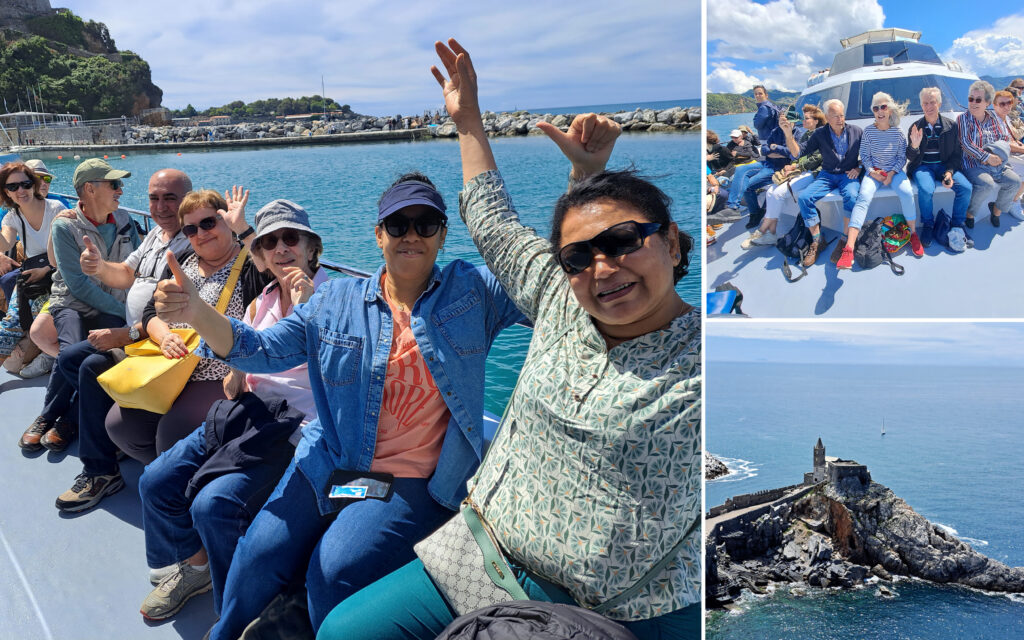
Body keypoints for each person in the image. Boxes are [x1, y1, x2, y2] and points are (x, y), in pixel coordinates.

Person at [316, 38, 700, 640]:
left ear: (673, 243)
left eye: (625, 240)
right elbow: (492, 218)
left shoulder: (704, 360)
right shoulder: (557, 298)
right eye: (578, 255)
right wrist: (467, 118)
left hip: (617, 606)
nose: (602, 268)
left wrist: (587, 180)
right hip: (484, 555)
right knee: (344, 632)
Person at [153, 173, 525, 639]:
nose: (411, 235)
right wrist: (196, 313)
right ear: (378, 234)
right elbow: (260, 349)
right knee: (257, 553)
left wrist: (584, 178)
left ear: (443, 234)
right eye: (397, 224)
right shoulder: (335, 300)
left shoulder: (472, 293)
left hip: (408, 480)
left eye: (425, 223)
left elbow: (550, 280)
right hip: (335, 464)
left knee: (333, 568)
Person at [137, 200, 329, 621]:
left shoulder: (336, 297)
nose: (281, 248)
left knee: (214, 507)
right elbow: (233, 378)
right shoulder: (261, 300)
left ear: (311, 248)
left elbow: (344, 376)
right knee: (155, 482)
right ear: (259, 256)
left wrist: (312, 310)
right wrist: (239, 371)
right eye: (269, 242)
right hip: (246, 415)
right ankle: (197, 567)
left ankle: (233, 615)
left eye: (291, 238)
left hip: (294, 430)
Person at [52, 169, 193, 506]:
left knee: (88, 368)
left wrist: (124, 334)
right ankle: (104, 436)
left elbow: (171, 315)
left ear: (188, 200)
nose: (159, 207)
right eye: (153, 198)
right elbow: (127, 273)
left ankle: (101, 472)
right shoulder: (156, 235)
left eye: (169, 198)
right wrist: (99, 266)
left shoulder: (192, 243)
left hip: (158, 342)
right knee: (71, 359)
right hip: (136, 335)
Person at [104, 188, 269, 466]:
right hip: (172, 364)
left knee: (172, 434)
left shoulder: (249, 265)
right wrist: (165, 335)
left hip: (218, 372)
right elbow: (149, 313)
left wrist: (243, 228)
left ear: (225, 221)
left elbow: (272, 271)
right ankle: (169, 473)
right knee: (120, 425)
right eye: (191, 229)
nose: (201, 233)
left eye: (208, 223)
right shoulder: (182, 262)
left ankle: (174, 484)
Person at [19, 159, 140, 452]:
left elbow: (138, 267)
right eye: (114, 184)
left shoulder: (124, 221)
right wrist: (121, 313)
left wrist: (123, 311)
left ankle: (60, 418)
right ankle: (63, 418)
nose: (120, 190)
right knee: (70, 352)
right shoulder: (66, 226)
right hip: (72, 303)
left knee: (83, 358)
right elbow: (77, 284)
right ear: (90, 189)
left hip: (111, 306)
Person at [836, 91, 922, 270]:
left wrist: (891, 174)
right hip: (873, 173)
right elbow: (865, 156)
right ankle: (849, 248)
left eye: (883, 107)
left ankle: (913, 234)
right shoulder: (868, 131)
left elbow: (901, 158)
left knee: (907, 193)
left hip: (894, 172)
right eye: (876, 108)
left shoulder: (897, 132)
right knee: (863, 197)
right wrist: (872, 172)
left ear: (889, 110)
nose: (879, 111)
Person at [0, 163, 63, 370]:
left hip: (59, 274)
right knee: (8, 325)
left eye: (25, 184)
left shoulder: (56, 209)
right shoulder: (13, 217)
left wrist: (46, 270)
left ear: (33, 185)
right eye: (12, 187)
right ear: (6, 192)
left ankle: (52, 354)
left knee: (41, 310)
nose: (20, 191)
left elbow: (68, 253)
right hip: (34, 276)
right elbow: (6, 243)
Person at [742, 104, 826, 248]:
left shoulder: (822, 134)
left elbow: (816, 158)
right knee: (770, 192)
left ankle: (762, 230)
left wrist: (796, 166)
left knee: (778, 193)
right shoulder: (806, 134)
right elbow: (798, 154)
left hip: (814, 172)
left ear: (816, 121)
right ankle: (771, 232)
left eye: (806, 119)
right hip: (802, 170)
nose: (803, 121)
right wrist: (794, 164)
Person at [794, 99, 863, 267]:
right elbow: (799, 152)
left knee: (852, 196)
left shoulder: (857, 131)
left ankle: (845, 238)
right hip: (827, 175)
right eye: (835, 116)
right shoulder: (819, 134)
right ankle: (817, 241)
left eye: (842, 115)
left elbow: (867, 155)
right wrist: (789, 135)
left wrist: (859, 167)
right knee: (804, 198)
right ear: (826, 117)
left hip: (848, 174)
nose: (840, 119)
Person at [906, 87, 972, 247]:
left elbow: (957, 156)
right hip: (922, 167)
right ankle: (928, 224)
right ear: (921, 105)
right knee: (926, 189)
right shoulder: (915, 127)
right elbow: (910, 158)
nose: (929, 107)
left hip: (944, 166)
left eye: (932, 102)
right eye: (925, 103)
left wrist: (949, 173)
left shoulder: (951, 126)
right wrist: (914, 146)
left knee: (966, 188)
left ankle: (957, 224)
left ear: (939, 104)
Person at [958, 80, 1022, 228]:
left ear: (987, 102)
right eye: (971, 99)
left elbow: (1005, 139)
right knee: (986, 184)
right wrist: (987, 157)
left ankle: (996, 210)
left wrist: (998, 156)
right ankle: (970, 214)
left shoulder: (994, 118)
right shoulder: (963, 119)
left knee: (1015, 182)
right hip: (973, 164)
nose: (973, 102)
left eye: (978, 99)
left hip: (998, 163)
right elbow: (965, 143)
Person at [991, 90, 1024, 216]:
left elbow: (1012, 138)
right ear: (994, 105)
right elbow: (1003, 144)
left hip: (1011, 151)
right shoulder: (994, 121)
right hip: (1001, 155)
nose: (1006, 106)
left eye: (1009, 103)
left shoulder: (1006, 119)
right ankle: (1013, 201)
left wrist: (1019, 144)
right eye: (1002, 104)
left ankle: (1016, 197)